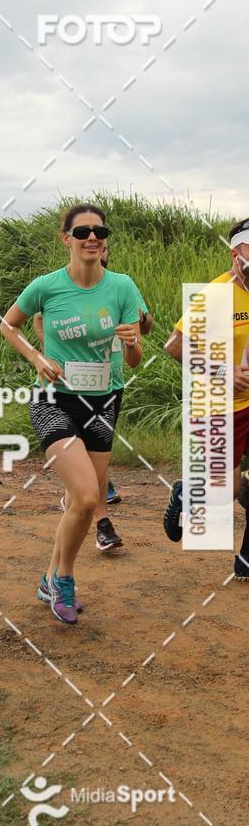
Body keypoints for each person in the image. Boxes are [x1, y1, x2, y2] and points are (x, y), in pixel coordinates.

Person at [0, 203, 143, 624]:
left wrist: (133, 342)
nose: (92, 237)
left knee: (82, 501)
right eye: (82, 232)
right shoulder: (46, 286)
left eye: (99, 231)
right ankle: (63, 579)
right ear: (67, 238)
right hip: (55, 398)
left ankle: (49, 578)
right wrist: (37, 357)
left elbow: (134, 360)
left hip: (104, 399)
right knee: (84, 496)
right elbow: (8, 325)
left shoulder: (122, 287)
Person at [34, 243, 154, 549]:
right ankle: (101, 522)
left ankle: (76, 503)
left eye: (103, 244)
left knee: (95, 458)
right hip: (64, 388)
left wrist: (139, 322)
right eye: (85, 237)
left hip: (108, 385)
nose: (98, 248)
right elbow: (36, 318)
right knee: (83, 464)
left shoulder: (121, 286)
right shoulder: (57, 286)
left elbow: (145, 326)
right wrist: (47, 353)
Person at [163, 217, 249, 582]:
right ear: (235, 255)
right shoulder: (216, 295)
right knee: (225, 492)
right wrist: (223, 371)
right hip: (220, 407)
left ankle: (247, 558)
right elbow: (174, 345)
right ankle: (187, 494)